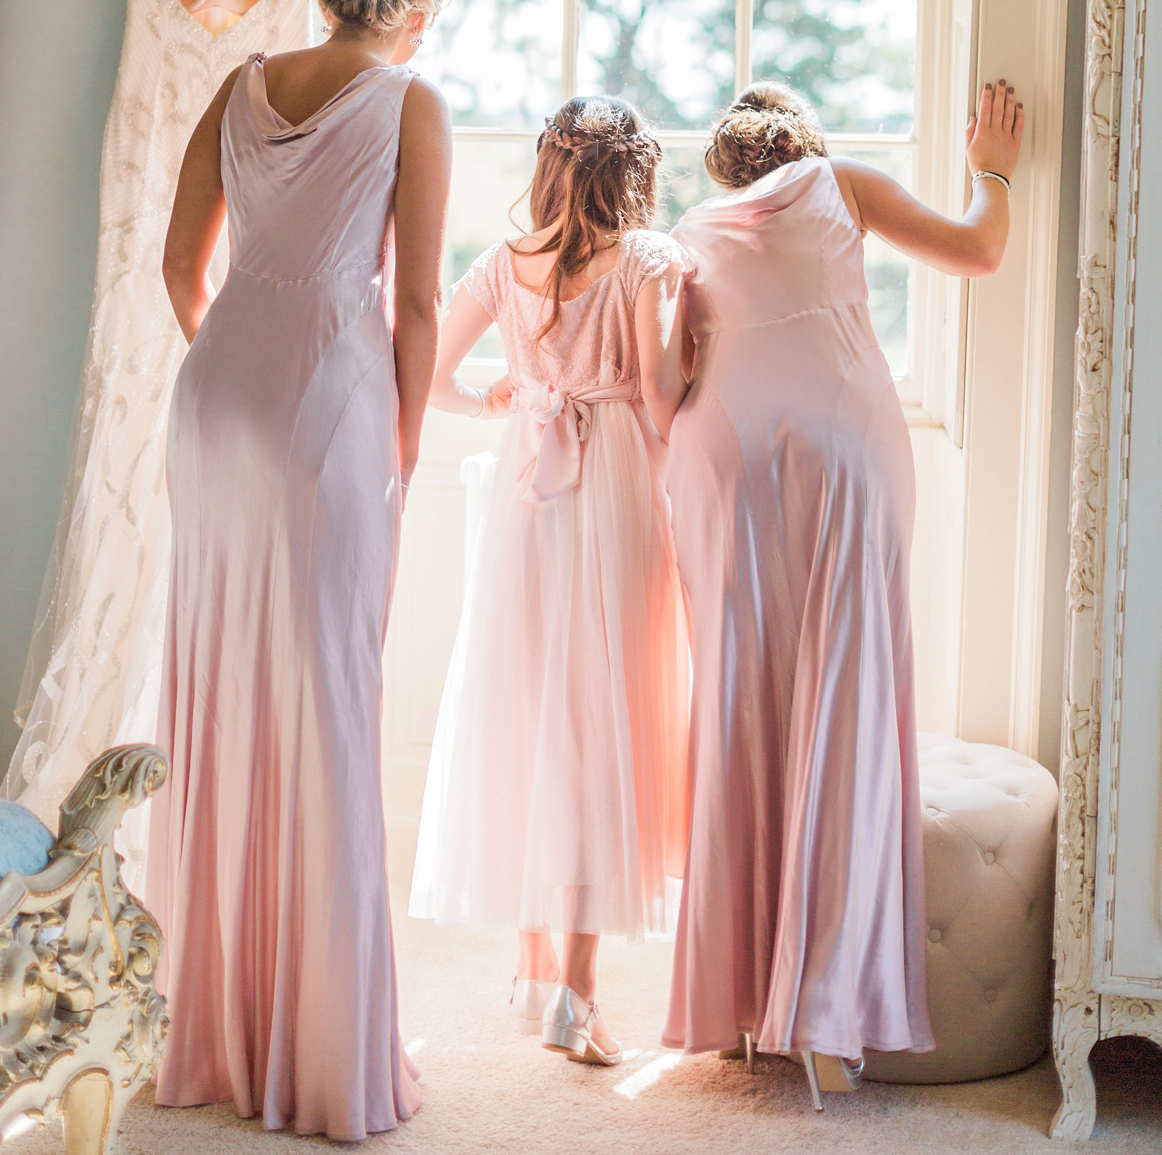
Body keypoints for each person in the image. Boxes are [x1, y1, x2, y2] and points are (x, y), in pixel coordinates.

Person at [146, 0, 451, 1139]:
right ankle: (322, 1053)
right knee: (326, 708)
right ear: (414, 17)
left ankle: (221, 1025)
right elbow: (419, 300)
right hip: (327, 404)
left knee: (225, 694)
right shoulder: (410, 103)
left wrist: (234, 373)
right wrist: (405, 437)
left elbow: (181, 267)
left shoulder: (242, 82)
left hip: (215, 403)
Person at [662, 78, 1025, 1110]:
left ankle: (743, 1004)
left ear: (722, 170)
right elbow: (979, 249)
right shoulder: (840, 183)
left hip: (729, 459)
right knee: (846, 707)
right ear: (801, 149)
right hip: (845, 453)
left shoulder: (689, 230)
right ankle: (825, 1018)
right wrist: (993, 169)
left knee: (742, 711)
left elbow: (674, 371)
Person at [409, 96, 690, 1067]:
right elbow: (657, 400)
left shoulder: (501, 263)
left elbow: (430, 376)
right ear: (634, 177)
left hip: (529, 491)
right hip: (609, 485)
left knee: (534, 721)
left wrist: (502, 392)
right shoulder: (649, 260)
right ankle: (578, 992)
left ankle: (538, 982)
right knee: (601, 723)